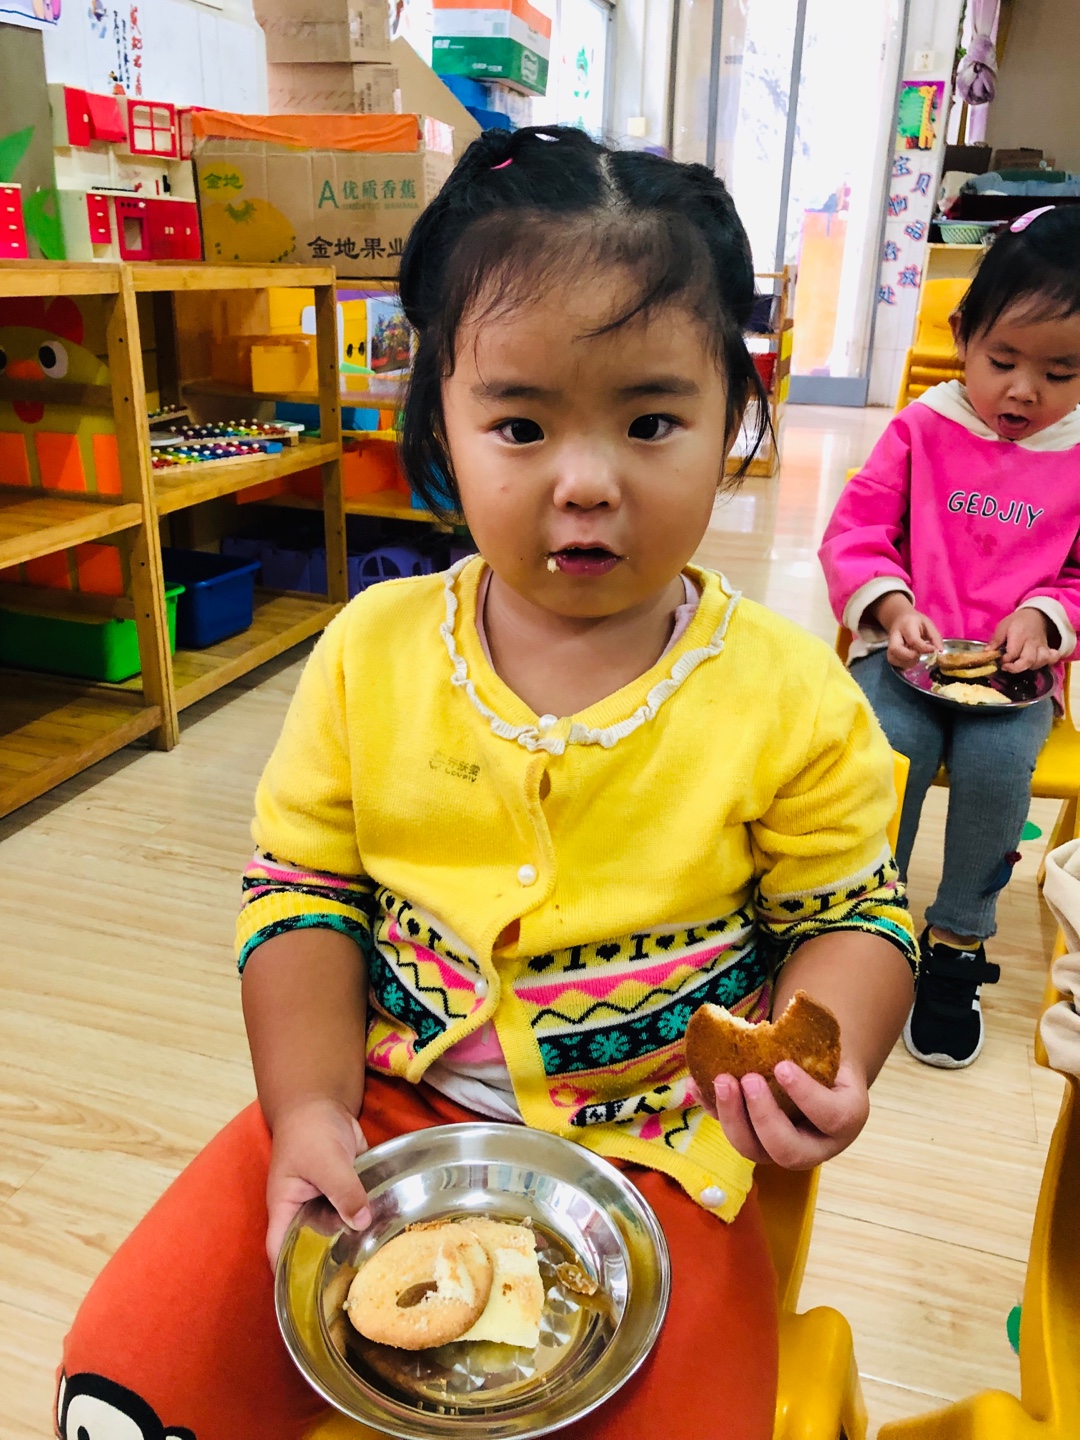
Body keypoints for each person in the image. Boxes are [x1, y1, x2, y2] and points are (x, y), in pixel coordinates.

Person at [59, 127, 916, 1440]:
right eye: (519, 424)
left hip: (659, 1147)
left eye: (651, 422)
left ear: (733, 422)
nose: (587, 482)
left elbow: (854, 916)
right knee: (119, 1395)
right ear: (441, 432)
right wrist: (305, 1107)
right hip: (381, 1115)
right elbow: (301, 890)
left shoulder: (790, 694)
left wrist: (826, 1054)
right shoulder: (373, 651)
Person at [819, 205, 1080, 1071]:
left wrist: (1046, 615)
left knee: (999, 772)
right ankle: (863, 922)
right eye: (1002, 361)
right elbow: (855, 534)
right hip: (905, 660)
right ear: (963, 337)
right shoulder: (922, 428)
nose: (1023, 392)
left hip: (1016, 682)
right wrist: (892, 607)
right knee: (884, 754)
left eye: (1061, 372)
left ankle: (958, 941)